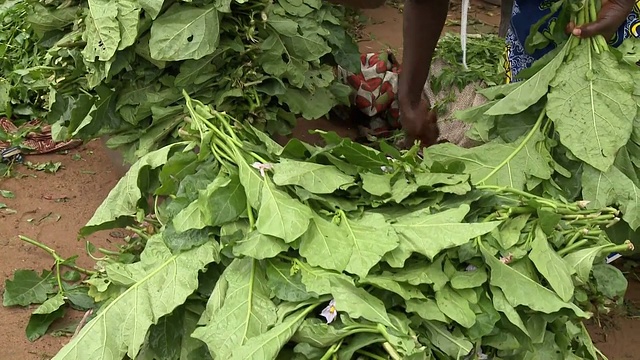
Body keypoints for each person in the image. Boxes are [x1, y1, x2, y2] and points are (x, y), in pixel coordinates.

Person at [334, 0, 638, 147]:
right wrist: (409, 98)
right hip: (536, 19)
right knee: (533, 125)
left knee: (616, 114)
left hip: (615, 18)